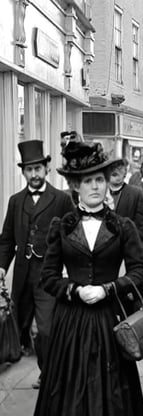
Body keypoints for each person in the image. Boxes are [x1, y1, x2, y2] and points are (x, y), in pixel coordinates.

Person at [20, 140, 143, 416]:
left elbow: (140, 271)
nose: (97, 187)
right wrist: (77, 291)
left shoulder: (122, 227)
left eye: (101, 179)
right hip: (73, 331)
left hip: (110, 331)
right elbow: (46, 277)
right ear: (75, 186)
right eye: (88, 181)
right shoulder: (62, 225)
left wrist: (110, 288)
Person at [0, 141, 73, 381]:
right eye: (29, 170)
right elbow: (7, 239)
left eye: (38, 169)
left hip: (48, 275)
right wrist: (1, 267)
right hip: (23, 273)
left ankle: (49, 373)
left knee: (46, 328)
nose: (34, 174)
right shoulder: (15, 201)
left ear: (46, 169)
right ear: (23, 173)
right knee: (21, 325)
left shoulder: (61, 199)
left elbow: (72, 236)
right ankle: (35, 360)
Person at [106, 158, 143, 246]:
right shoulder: (99, 192)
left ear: (125, 173)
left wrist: (132, 241)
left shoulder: (135, 193)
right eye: (112, 169)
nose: (116, 172)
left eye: (120, 169)